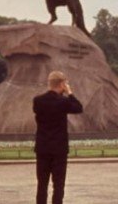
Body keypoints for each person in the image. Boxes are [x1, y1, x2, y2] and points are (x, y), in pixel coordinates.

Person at [33, 71, 83, 204]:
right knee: (58, 185)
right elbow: (78, 108)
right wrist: (70, 93)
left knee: (42, 184)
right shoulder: (63, 101)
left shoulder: (37, 101)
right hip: (59, 148)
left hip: (42, 147)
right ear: (62, 84)